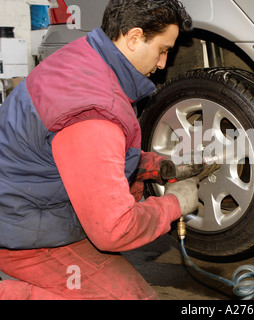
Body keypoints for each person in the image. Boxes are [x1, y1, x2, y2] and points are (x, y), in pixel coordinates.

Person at [0, 0, 199, 300]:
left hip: (32, 208)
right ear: (133, 38)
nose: (162, 63)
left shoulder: (86, 57)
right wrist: (174, 205)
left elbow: (81, 156)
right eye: (162, 50)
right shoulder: (95, 111)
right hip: (24, 236)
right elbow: (114, 229)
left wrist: (155, 165)